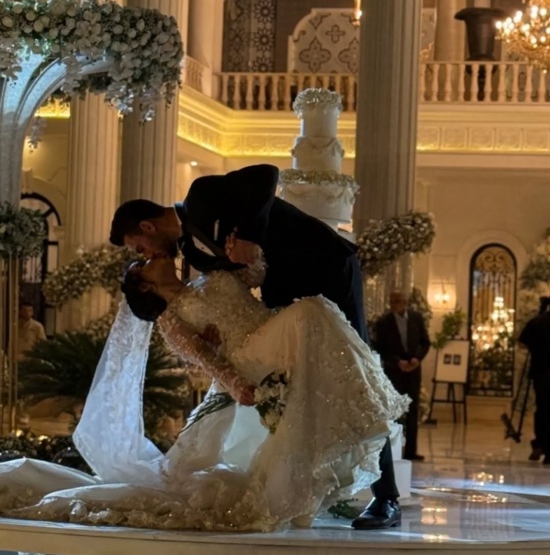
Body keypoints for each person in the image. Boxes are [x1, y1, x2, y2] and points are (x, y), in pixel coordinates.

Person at [0, 258, 408, 532]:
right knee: (309, 312)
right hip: (249, 352)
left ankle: (359, 407)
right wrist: (236, 383)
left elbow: (256, 274)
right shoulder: (171, 317)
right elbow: (204, 358)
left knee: (313, 312)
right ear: (145, 283)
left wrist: (247, 257)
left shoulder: (206, 275)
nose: (156, 259)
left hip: (268, 330)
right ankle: (364, 403)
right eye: (145, 263)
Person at [109, 163, 402, 530]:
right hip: (281, 306)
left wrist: (249, 236)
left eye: (140, 247)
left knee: (355, 367)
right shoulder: (194, 256)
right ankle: (311, 489)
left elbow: (265, 174)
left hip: (324, 264)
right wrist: (216, 339)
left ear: (148, 227)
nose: (147, 254)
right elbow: (241, 282)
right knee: (308, 394)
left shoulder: (202, 194)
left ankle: (386, 497)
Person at [375, 290, 431, 462]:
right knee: (395, 411)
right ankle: (394, 449)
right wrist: (397, 362)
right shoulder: (384, 322)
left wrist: (417, 358)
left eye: (399, 300)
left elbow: (425, 342)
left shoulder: (416, 318)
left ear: (406, 302)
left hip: (413, 371)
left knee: (413, 410)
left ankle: (411, 451)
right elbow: (380, 348)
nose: (396, 304)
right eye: (394, 301)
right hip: (395, 372)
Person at [518, 297, 550, 464]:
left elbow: (522, 344)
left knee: (542, 409)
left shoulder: (537, 322)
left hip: (541, 372)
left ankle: (540, 443)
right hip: (543, 372)